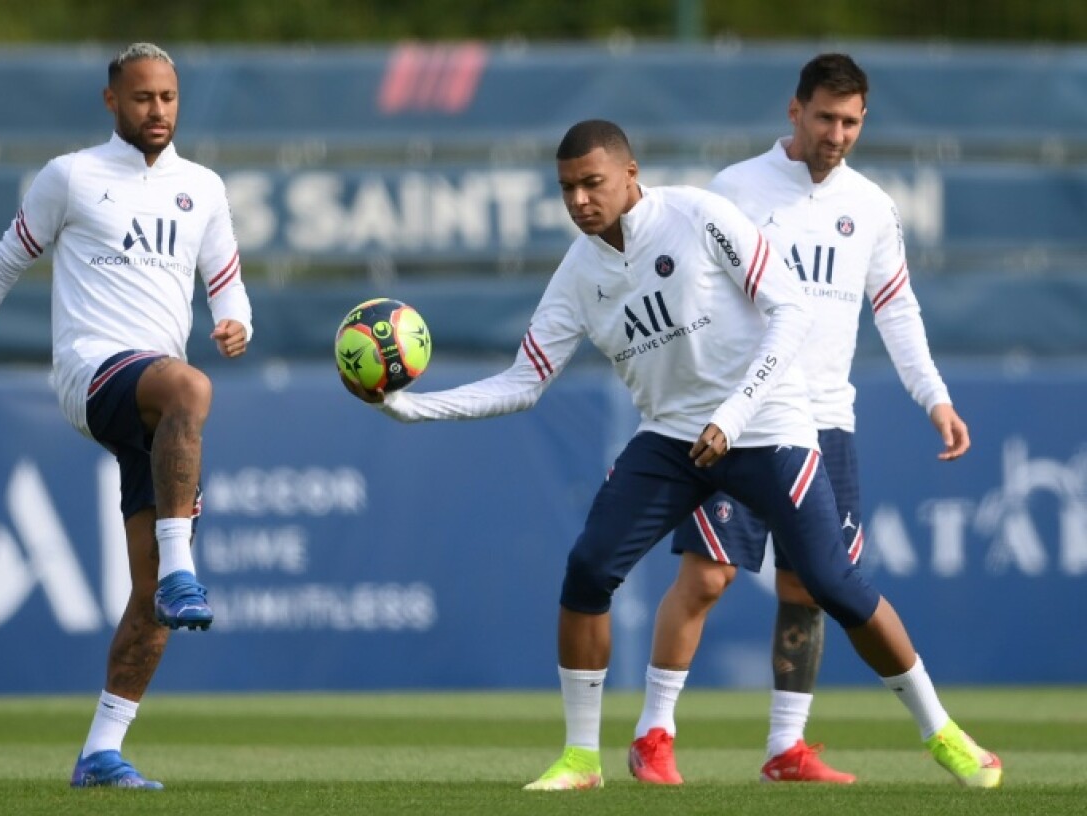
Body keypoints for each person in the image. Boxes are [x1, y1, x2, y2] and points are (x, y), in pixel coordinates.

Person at [341, 118, 1000, 791]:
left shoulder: (699, 215)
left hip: (767, 423)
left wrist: (734, 413)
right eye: (566, 188)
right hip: (672, 438)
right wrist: (407, 407)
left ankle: (942, 732)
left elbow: (792, 310)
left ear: (630, 174)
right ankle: (580, 758)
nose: (578, 201)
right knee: (589, 569)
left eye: (591, 183)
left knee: (832, 584)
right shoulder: (577, 274)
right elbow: (523, 382)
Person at [626, 52, 973, 787]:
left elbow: (897, 309)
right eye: (825, 117)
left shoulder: (873, 208)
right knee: (710, 573)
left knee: (808, 588)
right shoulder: (738, 191)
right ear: (795, 110)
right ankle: (653, 732)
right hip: (744, 418)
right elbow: (689, 301)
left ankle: (787, 748)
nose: (837, 133)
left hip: (826, 422)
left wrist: (934, 397)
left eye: (850, 121)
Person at [0, 42, 252, 790]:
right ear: (111, 102)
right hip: (93, 373)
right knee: (192, 392)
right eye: (142, 98)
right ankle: (185, 569)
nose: (157, 110)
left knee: (150, 596)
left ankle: (102, 751)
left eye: (167, 97)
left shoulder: (203, 188)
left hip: (155, 401)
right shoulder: (71, 177)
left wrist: (237, 324)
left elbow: (228, 287)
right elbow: (3, 263)